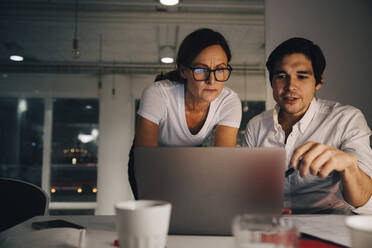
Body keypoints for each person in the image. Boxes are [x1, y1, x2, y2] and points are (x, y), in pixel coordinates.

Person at [243, 37, 372, 213]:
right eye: (281, 76)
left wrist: (349, 166)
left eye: (302, 76)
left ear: (318, 81)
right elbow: (246, 191)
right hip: (272, 224)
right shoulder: (256, 126)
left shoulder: (347, 119)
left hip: (331, 225)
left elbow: (364, 200)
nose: (290, 86)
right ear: (272, 82)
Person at [129, 28, 242, 197]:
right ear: (183, 71)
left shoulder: (229, 101)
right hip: (150, 159)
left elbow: (222, 163)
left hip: (190, 158)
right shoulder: (158, 94)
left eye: (220, 70)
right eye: (200, 70)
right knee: (156, 212)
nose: (212, 80)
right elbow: (146, 162)